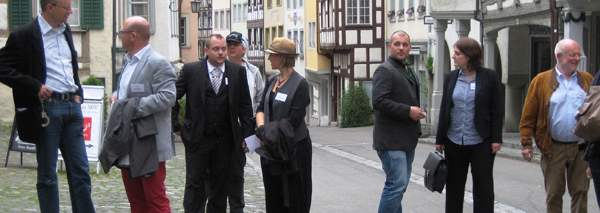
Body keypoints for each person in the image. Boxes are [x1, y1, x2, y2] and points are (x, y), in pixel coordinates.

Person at [0, 0, 95, 212]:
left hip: (72, 107)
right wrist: (34, 87)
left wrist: (78, 93)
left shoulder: (65, 30)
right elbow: (3, 68)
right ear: (49, 7)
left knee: (80, 171)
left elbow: (69, 65)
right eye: (67, 7)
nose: (71, 11)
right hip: (47, 109)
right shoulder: (24, 35)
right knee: (48, 175)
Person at [172, 34, 254, 212]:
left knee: (220, 186)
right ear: (206, 50)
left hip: (225, 140)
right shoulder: (191, 70)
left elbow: (245, 107)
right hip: (198, 138)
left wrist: (247, 136)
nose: (221, 52)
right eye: (216, 49)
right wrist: (176, 125)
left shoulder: (237, 72)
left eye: (223, 49)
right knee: (195, 184)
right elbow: (172, 97)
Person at [103, 16, 176, 212]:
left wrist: (129, 106)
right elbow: (128, 92)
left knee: (155, 200)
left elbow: (168, 97)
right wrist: (117, 97)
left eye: (122, 33)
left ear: (133, 35)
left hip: (149, 143)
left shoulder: (158, 62)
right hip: (128, 141)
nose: (119, 36)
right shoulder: (128, 62)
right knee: (136, 201)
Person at [520, 38, 592, 212]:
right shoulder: (541, 81)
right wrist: (526, 143)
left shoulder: (587, 79)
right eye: (572, 55)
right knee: (554, 193)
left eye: (578, 55)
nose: (577, 59)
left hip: (581, 147)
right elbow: (529, 114)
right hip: (552, 146)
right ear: (559, 56)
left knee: (581, 191)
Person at [435, 37, 504, 212]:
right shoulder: (451, 77)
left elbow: (497, 109)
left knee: (483, 186)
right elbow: (445, 108)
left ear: (469, 55)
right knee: (454, 186)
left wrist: (496, 138)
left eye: (457, 53)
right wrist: (440, 138)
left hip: (481, 140)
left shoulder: (489, 77)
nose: (453, 56)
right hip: (454, 140)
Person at [255, 37, 312, 212]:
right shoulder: (272, 80)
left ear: (282, 58)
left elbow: (294, 118)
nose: (269, 58)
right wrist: (261, 131)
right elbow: (260, 108)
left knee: (295, 196)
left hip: (293, 149)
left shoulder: (300, 84)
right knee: (274, 196)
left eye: (272, 55)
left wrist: (267, 135)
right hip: (271, 148)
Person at [372, 30, 425, 213]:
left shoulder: (406, 69)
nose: (401, 48)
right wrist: (408, 111)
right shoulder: (385, 70)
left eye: (404, 44)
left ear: (410, 47)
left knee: (398, 188)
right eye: (397, 44)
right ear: (389, 47)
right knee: (396, 185)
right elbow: (378, 101)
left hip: (406, 139)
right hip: (391, 140)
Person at [225, 31, 264, 213]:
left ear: (244, 48)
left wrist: (253, 133)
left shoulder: (253, 72)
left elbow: (259, 102)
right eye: (229, 44)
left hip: (242, 129)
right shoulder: (219, 68)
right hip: (221, 128)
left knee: (237, 172)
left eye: (235, 44)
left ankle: (237, 208)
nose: (231, 47)